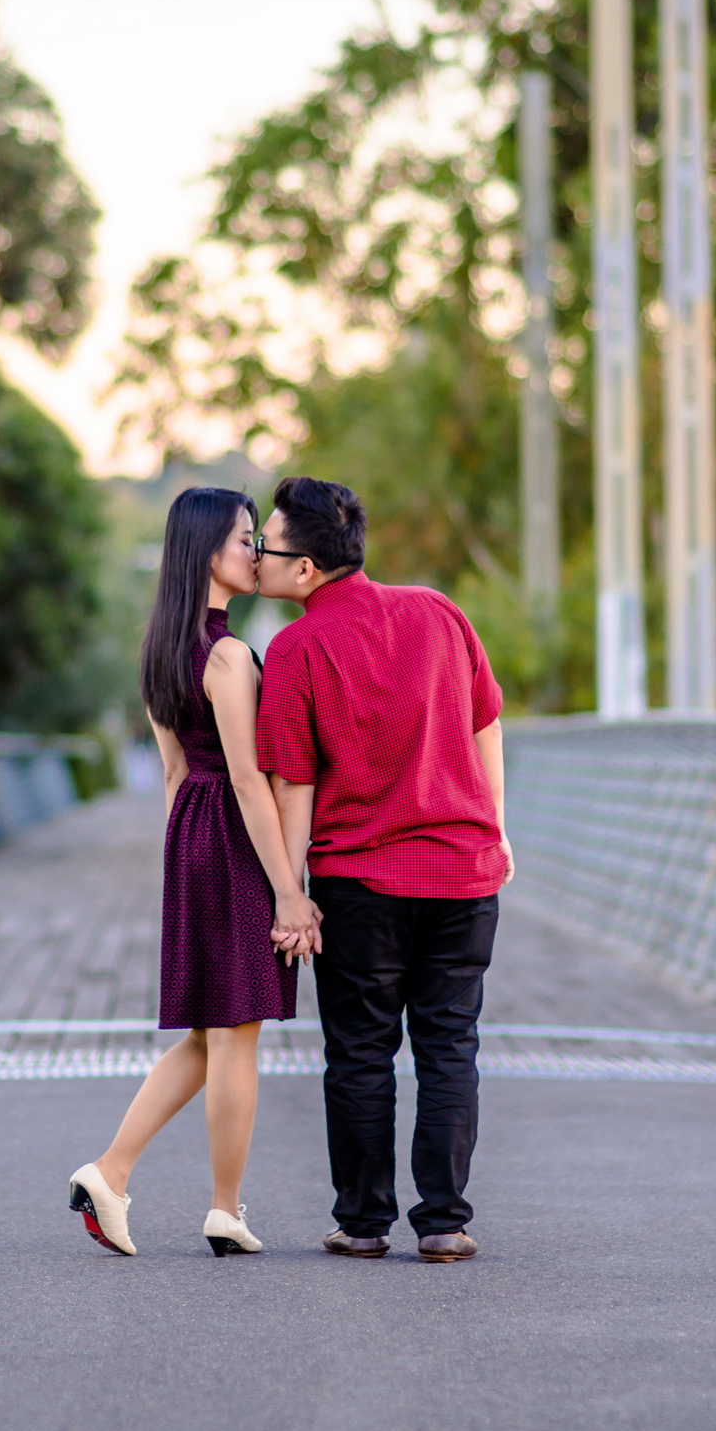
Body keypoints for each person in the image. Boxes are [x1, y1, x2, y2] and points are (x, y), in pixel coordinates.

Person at [253, 477, 512, 1263]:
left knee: (360, 1051)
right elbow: (487, 725)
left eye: (268, 545)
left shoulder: (296, 649)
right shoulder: (439, 611)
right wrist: (495, 831)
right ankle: (444, 1223)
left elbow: (293, 786)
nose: (257, 555)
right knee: (449, 1047)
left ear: (305, 572)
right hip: (464, 875)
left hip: (360, 884)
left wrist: (290, 892)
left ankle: (363, 1223)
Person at [68, 488, 320, 1259]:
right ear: (207, 549)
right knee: (236, 1036)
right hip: (238, 840)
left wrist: (186, 865)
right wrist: (287, 891)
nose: (256, 552)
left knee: (213, 1036)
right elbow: (248, 780)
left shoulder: (160, 652)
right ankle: (223, 1208)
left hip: (193, 837)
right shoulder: (230, 655)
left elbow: (178, 774)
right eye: (245, 539)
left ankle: (110, 1171)